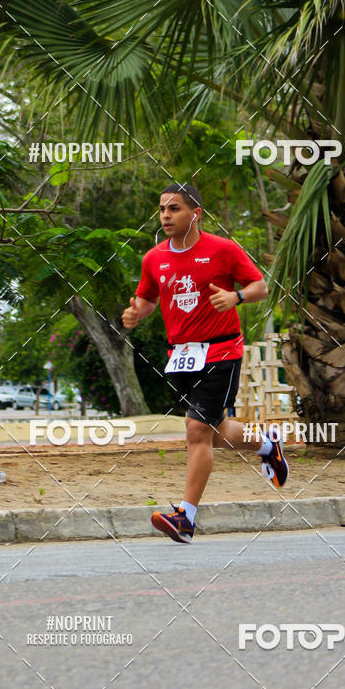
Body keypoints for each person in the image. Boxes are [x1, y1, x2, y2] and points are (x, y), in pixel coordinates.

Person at [121, 183, 288, 544]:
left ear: (195, 213)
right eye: (163, 209)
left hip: (222, 352)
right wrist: (136, 313)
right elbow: (147, 298)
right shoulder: (154, 258)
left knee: (197, 431)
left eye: (174, 208)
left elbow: (261, 287)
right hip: (180, 356)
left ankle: (186, 517)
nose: (166, 215)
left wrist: (236, 296)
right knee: (215, 430)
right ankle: (266, 445)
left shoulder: (223, 250)